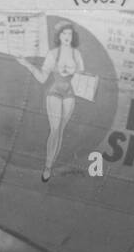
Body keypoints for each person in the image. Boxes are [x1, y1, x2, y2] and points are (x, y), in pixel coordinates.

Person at [13, 21, 85, 181]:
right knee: (55, 128)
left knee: (60, 131)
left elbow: (81, 78)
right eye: (64, 34)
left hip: (70, 94)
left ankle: (49, 166)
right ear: (59, 36)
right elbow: (42, 78)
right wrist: (26, 64)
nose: (67, 37)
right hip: (54, 92)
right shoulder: (53, 54)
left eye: (69, 34)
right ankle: (47, 166)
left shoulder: (77, 54)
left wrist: (73, 72)